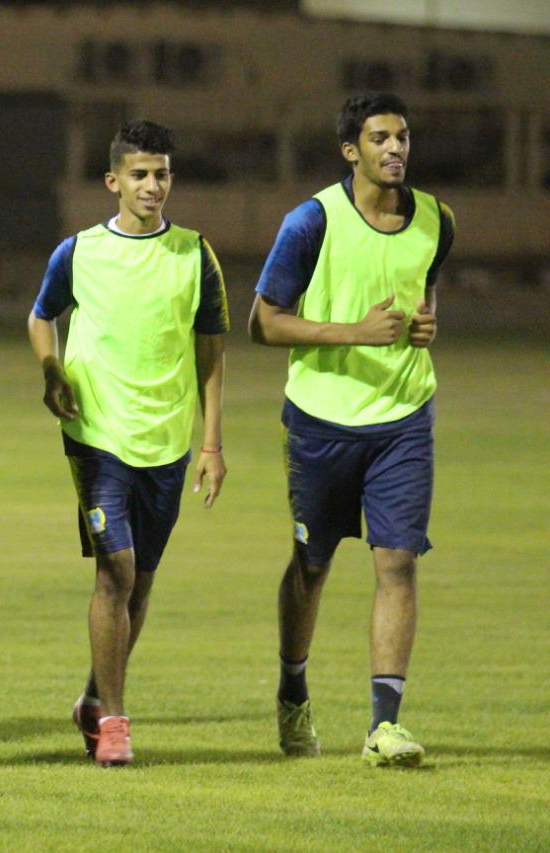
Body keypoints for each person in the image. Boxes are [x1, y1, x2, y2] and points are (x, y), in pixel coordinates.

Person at [249, 93, 454, 768]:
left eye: (402, 137)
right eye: (380, 138)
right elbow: (264, 321)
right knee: (313, 564)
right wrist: (351, 333)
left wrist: (425, 325)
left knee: (397, 560)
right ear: (350, 151)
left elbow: (420, 287)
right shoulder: (312, 221)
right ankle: (292, 690)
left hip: (403, 420)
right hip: (322, 421)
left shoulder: (436, 220)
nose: (396, 149)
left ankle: (384, 725)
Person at [28, 120, 228, 767]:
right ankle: (114, 721)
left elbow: (211, 352)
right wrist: (51, 368)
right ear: (113, 180)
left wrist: (212, 443)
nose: (152, 185)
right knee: (114, 570)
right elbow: (40, 317)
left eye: (162, 173)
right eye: (139, 174)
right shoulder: (79, 251)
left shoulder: (196, 255)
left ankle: (92, 695)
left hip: (166, 441)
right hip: (97, 435)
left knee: (140, 584)